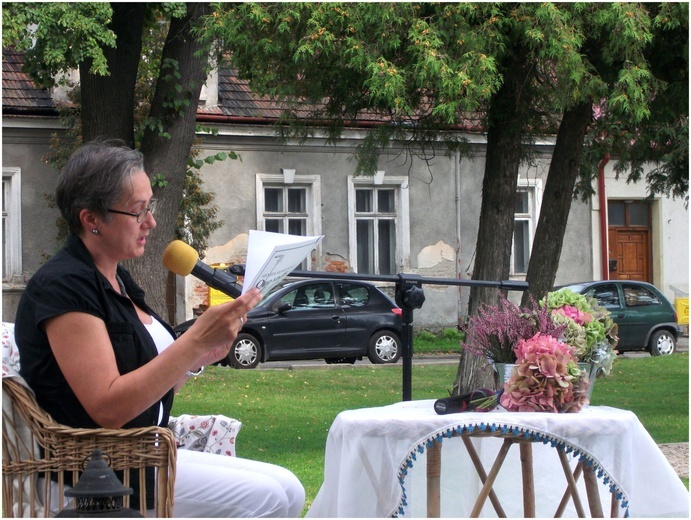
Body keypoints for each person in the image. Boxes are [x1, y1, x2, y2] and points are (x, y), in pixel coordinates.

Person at [14, 141, 305, 517]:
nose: (150, 222)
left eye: (149, 207)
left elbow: (151, 384)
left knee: (289, 488)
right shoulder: (63, 286)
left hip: (140, 456)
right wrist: (194, 340)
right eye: (138, 212)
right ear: (92, 220)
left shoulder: (118, 279)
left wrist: (200, 354)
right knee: (267, 496)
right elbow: (108, 406)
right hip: (92, 476)